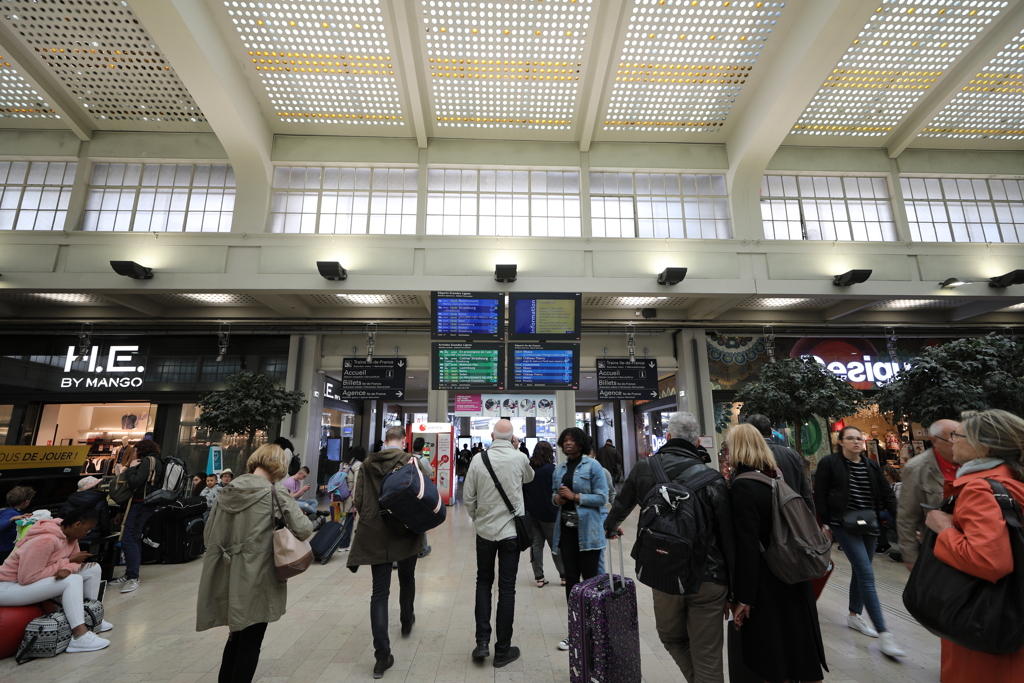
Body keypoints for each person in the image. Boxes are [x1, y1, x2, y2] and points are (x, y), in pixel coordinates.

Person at [605, 412, 735, 682]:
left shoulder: (644, 468)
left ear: (667, 437)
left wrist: (610, 527)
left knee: (671, 638)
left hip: (665, 572)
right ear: (698, 441)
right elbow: (728, 537)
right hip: (709, 579)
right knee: (708, 654)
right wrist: (735, 589)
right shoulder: (712, 479)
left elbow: (621, 505)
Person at [197, 443, 313, 683]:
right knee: (251, 640)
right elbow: (303, 530)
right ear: (280, 465)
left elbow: (209, 537)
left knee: (236, 637)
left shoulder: (226, 491)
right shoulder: (275, 492)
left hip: (227, 575)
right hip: (258, 576)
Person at [922, 409, 1024, 682]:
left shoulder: (980, 490)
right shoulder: (1014, 482)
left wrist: (943, 528)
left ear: (984, 446)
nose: (952, 440)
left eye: (959, 435)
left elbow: (990, 561)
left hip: (986, 622)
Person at [728, 423, 826, 683]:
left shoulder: (742, 486)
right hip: (794, 570)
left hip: (768, 580)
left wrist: (745, 597)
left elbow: (748, 546)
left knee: (773, 652)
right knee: (800, 644)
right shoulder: (776, 476)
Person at [347, 425, 432, 679]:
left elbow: (359, 501)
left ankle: (382, 656)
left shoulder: (367, 464)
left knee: (379, 593)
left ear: (385, 441)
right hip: (406, 531)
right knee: (407, 577)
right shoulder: (411, 461)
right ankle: (407, 619)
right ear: (404, 441)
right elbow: (423, 493)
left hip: (376, 533)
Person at [814, 425, 904, 658]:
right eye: (851, 439)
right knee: (866, 573)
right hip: (844, 524)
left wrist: (900, 523)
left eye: (859, 439)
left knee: (861, 569)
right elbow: (821, 495)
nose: (856, 442)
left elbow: (886, 495)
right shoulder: (830, 463)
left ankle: (855, 615)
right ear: (841, 442)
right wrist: (826, 525)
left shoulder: (871, 465)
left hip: (869, 524)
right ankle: (885, 634)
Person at [463, 419, 534, 667]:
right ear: (513, 438)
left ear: (492, 435)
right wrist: (517, 449)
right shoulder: (519, 458)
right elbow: (529, 478)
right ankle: (502, 650)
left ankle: (482, 642)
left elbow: (468, 496)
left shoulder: (477, 460)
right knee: (507, 589)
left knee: (483, 583)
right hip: (510, 533)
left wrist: (477, 517)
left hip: (485, 533)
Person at [0, 506, 113, 653]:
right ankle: (80, 636)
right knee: (72, 581)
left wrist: (68, 565)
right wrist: (66, 562)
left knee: (93, 568)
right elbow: (27, 578)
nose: (87, 534)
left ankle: (92, 618)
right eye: (87, 530)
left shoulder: (71, 538)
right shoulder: (45, 539)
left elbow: (74, 562)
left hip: (28, 582)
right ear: (77, 524)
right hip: (7, 586)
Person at [551, 427, 608, 652]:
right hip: (566, 532)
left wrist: (575, 497)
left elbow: (602, 497)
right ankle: (575, 631)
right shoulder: (560, 468)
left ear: (581, 443)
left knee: (591, 582)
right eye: (565, 440)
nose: (568, 444)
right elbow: (553, 496)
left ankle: (594, 631)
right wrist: (558, 499)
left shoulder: (593, 466)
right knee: (572, 583)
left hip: (589, 534)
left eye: (572, 440)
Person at [897, 419, 959, 571]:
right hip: (938, 550)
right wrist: (911, 557)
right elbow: (907, 517)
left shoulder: (971, 461)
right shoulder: (917, 469)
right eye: (952, 438)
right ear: (934, 441)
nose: (958, 442)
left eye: (961, 437)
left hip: (971, 546)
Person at [110, 438, 164, 594]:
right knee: (133, 538)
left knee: (129, 539)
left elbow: (134, 483)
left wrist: (130, 469)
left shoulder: (147, 461)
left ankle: (133, 577)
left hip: (141, 506)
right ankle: (130, 574)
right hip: (142, 505)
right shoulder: (155, 460)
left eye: (134, 450)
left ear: (140, 450)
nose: (132, 453)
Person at [744, 413, 813, 511]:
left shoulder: (746, 458)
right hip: (794, 516)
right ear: (771, 431)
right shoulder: (792, 455)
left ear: (749, 434)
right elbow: (805, 493)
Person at [523, 441, 565, 587]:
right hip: (550, 513)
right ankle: (564, 575)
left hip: (531, 512)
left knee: (536, 545)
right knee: (556, 545)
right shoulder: (552, 470)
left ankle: (539, 577)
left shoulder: (528, 468)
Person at [1, 486, 35, 564]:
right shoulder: (11, 514)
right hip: (5, 550)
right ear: (26, 502)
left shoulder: (10, 511)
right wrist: (13, 519)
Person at [411, 437, 432, 558]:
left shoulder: (407, 457)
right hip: (419, 492)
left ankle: (411, 547)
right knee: (421, 520)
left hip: (407, 492)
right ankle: (423, 548)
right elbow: (429, 472)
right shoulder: (422, 460)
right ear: (423, 447)